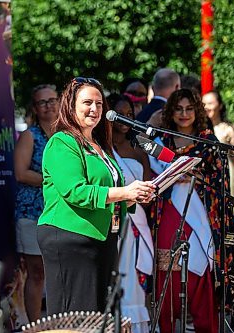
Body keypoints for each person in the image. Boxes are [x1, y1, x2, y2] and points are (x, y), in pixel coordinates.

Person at [37, 77, 156, 315]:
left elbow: (108, 189)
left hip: (102, 238)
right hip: (71, 238)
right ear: (71, 106)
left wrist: (132, 197)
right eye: (87, 103)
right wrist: (125, 191)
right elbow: (75, 192)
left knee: (97, 316)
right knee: (74, 319)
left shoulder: (97, 144)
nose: (94, 109)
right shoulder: (62, 142)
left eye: (99, 104)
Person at [150, 88, 222, 333]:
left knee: (201, 274)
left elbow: (220, 183)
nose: (184, 114)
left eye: (189, 108)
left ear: (197, 111)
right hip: (169, 212)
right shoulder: (160, 142)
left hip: (200, 215)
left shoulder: (208, 142)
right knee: (167, 274)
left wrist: (202, 178)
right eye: (178, 108)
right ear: (170, 111)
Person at [108, 93, 152, 333]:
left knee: (137, 278)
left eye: (129, 115)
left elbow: (148, 189)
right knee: (119, 277)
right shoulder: (100, 148)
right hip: (114, 220)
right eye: (120, 114)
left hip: (139, 220)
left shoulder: (139, 149)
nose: (125, 119)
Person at [14, 83, 58, 322]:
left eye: (52, 100)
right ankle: (34, 325)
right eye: (43, 102)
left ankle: (58, 322)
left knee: (58, 273)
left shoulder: (66, 135)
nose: (49, 105)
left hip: (61, 213)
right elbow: (20, 173)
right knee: (37, 272)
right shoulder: (30, 135)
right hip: (33, 213)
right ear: (35, 108)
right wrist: (54, 181)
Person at [202, 90, 234, 204]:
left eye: (210, 103)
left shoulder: (228, 128)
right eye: (204, 104)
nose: (206, 107)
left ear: (219, 105)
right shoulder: (200, 129)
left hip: (226, 169)